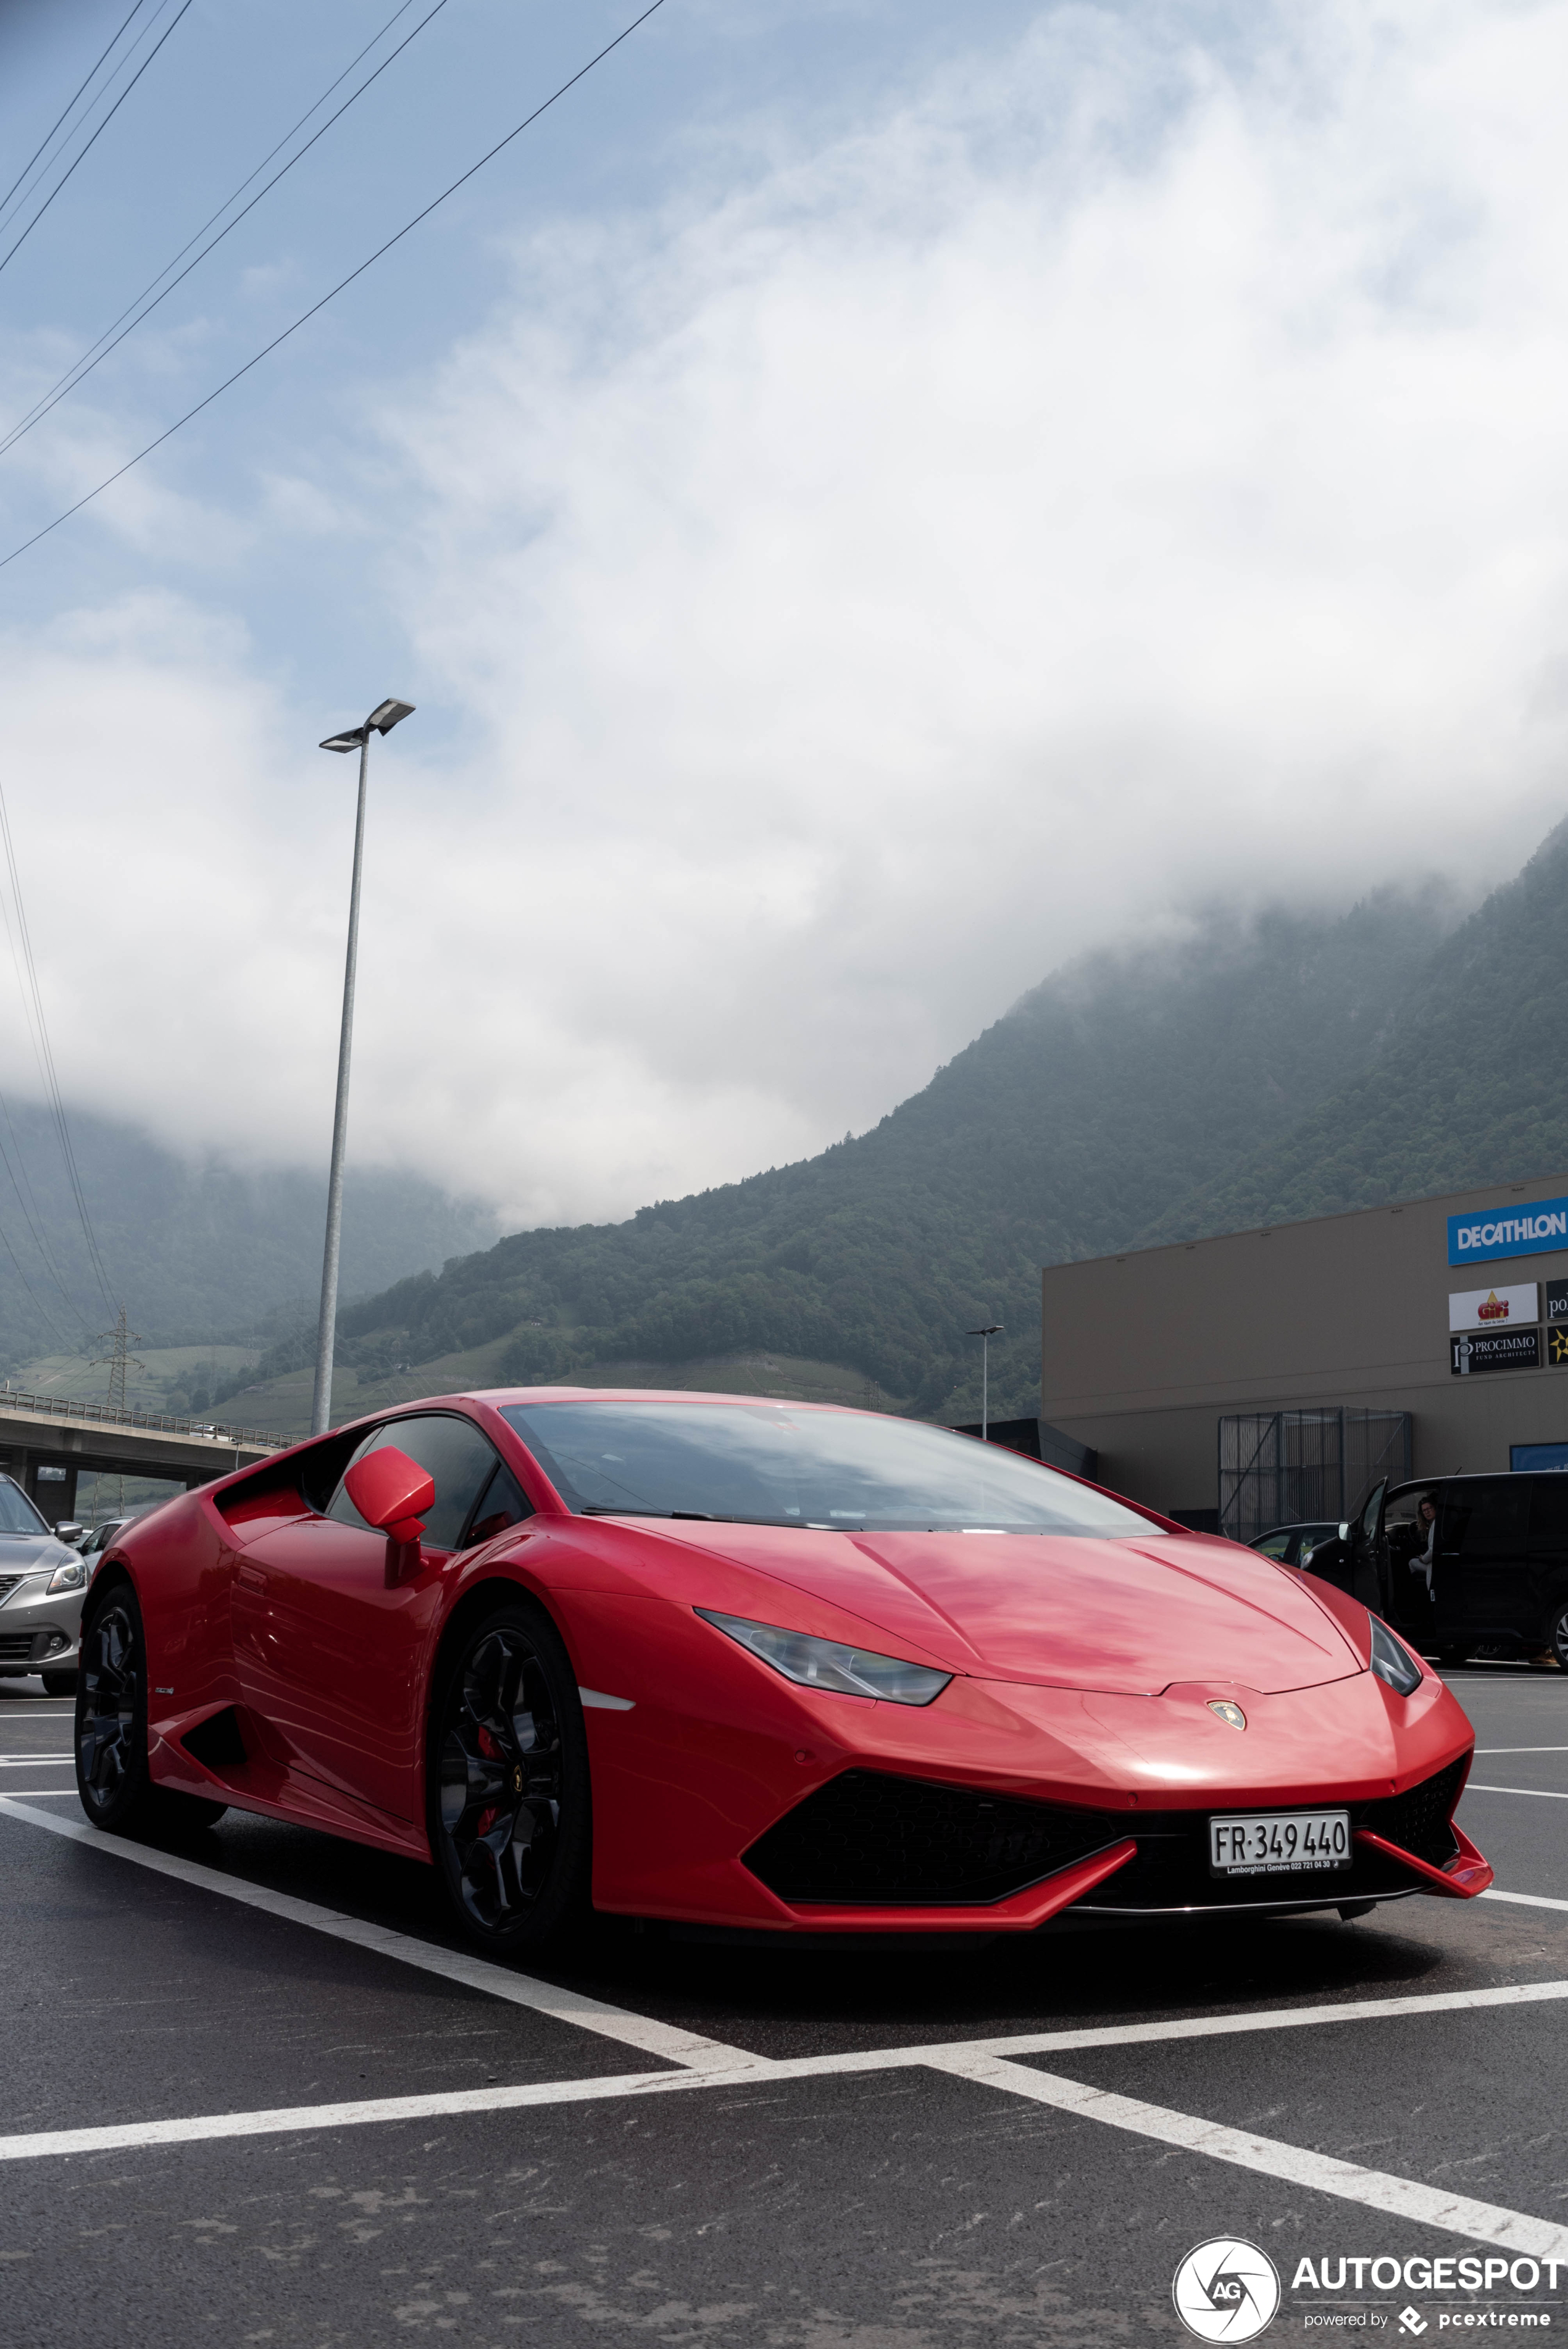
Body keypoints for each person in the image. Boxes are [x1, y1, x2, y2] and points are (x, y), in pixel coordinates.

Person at [1408, 1494, 1438, 1601]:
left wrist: (1423, 1559)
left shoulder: (1435, 1524)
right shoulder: (1434, 1524)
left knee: (1412, 1562)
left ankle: (1415, 1590)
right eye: (1424, 1510)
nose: (1427, 1512)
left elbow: (1432, 1550)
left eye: (1429, 1508)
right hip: (1434, 1562)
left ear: (1435, 1508)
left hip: (1433, 1565)